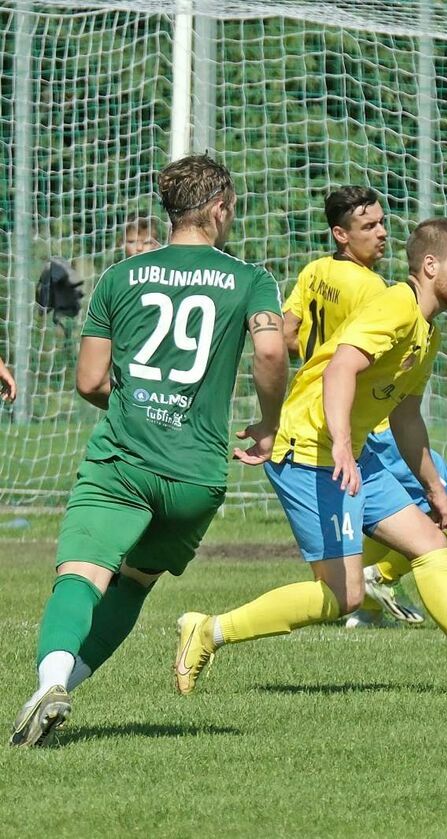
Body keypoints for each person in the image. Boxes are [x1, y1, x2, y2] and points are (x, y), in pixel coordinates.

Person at [174, 218, 447, 699]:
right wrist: (340, 441)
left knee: (428, 543)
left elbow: (405, 417)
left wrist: (435, 491)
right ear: (429, 265)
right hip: (311, 453)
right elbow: (341, 367)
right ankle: (208, 631)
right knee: (344, 595)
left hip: (346, 453)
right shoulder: (397, 306)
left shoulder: (426, 333)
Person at [10, 154, 288, 746]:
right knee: (134, 583)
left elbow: (89, 382)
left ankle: (49, 682)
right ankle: (65, 692)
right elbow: (269, 352)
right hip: (197, 476)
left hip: (125, 460)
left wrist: (140, 400)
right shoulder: (251, 279)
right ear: (219, 208)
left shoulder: (119, 277)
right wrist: (267, 423)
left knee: (82, 575)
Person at [281, 186, 447, 629]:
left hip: (335, 413)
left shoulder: (314, 272)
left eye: (382, 222)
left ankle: (368, 588)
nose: (382, 233)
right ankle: (374, 581)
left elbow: (288, 333)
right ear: (341, 235)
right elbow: (352, 363)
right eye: (368, 226)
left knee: (438, 515)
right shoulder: (379, 291)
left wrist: (310, 370)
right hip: (367, 423)